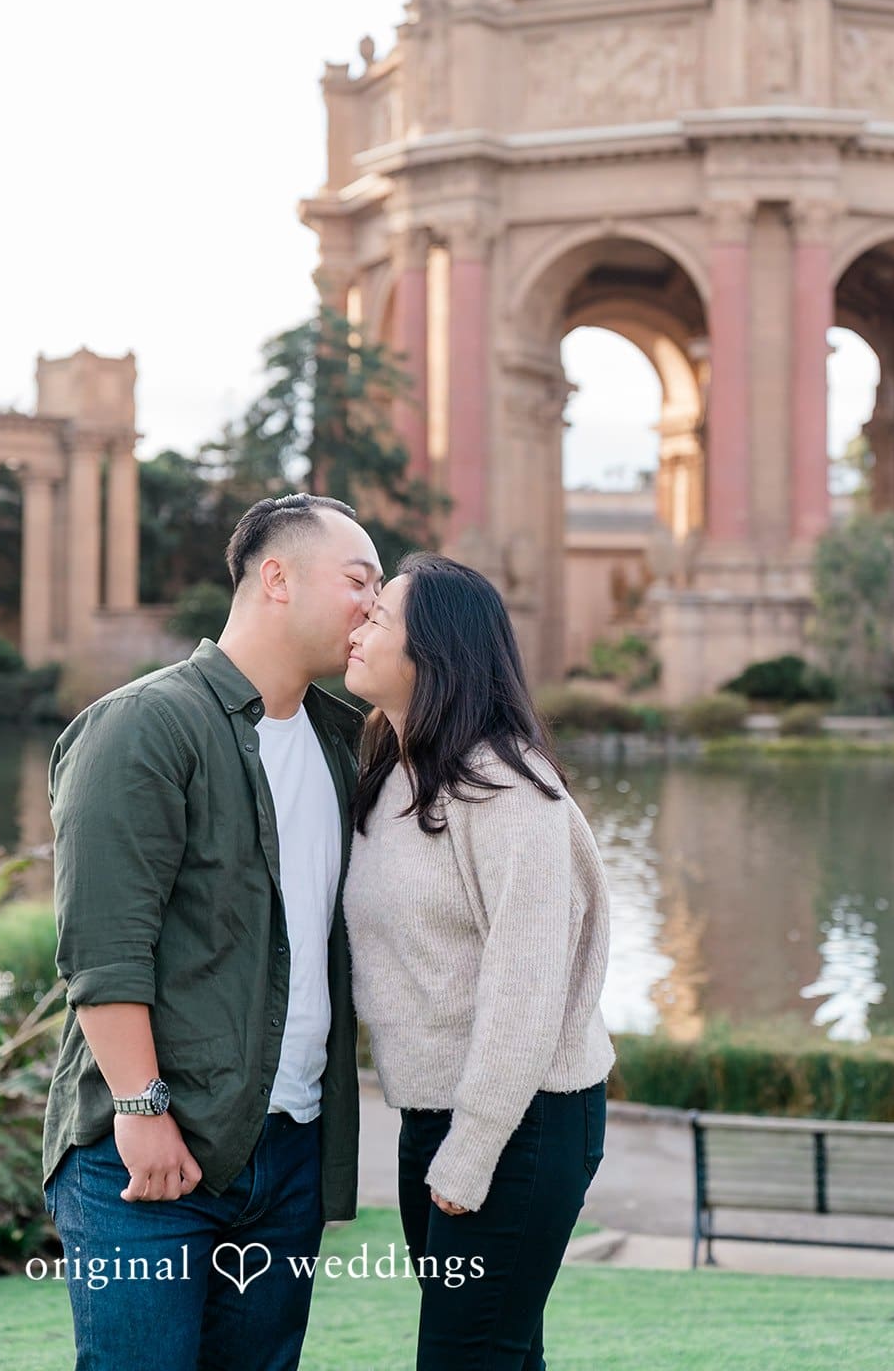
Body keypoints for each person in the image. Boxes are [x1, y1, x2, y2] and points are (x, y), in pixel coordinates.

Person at [41, 493, 383, 1371]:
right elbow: (104, 949)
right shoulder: (145, 725)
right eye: (359, 581)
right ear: (277, 578)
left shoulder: (341, 743)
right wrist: (142, 1109)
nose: (373, 607)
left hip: (290, 1155)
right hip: (156, 1158)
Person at [343, 553, 614, 1371]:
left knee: (467, 1357)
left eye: (379, 618)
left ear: (435, 653)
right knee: (499, 1354)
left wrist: (474, 1143)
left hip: (521, 1123)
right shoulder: (391, 773)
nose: (359, 625)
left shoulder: (506, 791)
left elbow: (524, 984)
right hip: (436, 1116)